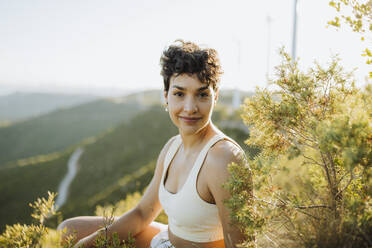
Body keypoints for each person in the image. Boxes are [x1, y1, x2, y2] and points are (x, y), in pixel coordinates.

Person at [58, 40, 250, 248]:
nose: (190, 107)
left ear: (216, 97)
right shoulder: (172, 147)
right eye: (179, 94)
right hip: (165, 242)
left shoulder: (224, 158)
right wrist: (87, 244)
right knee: (69, 230)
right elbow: (142, 213)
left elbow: (242, 245)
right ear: (166, 97)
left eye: (202, 94)